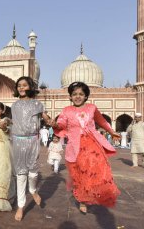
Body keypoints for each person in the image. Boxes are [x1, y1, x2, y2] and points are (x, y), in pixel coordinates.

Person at [49, 81, 121, 214]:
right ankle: (83, 200)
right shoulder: (67, 110)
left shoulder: (91, 108)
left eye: (81, 94)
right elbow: (61, 123)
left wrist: (111, 131)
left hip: (92, 146)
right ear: (70, 96)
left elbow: (102, 121)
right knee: (80, 174)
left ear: (86, 96)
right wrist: (55, 125)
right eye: (74, 94)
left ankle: (95, 193)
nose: (77, 96)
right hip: (75, 147)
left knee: (95, 171)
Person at [11, 76, 49, 221]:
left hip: (32, 139)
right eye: (19, 85)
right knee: (21, 174)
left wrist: (51, 121)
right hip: (18, 140)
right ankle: (21, 206)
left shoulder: (37, 104)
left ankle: (33, 190)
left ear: (30, 87)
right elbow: (13, 122)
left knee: (33, 172)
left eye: (24, 85)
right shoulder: (14, 106)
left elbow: (45, 118)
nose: (21, 87)